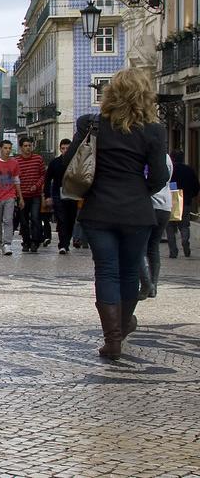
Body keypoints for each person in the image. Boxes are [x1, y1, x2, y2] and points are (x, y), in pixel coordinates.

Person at [70, 67, 168, 359]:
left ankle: (112, 339)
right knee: (128, 272)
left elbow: (70, 164)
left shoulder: (93, 124)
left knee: (107, 271)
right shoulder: (153, 130)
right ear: (145, 95)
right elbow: (160, 175)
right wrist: (140, 192)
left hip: (98, 209)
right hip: (136, 211)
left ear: (110, 93)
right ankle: (122, 330)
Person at [141, 154, 172, 300]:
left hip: (148, 205)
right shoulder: (166, 158)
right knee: (153, 247)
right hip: (165, 206)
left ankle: (147, 284)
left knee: (140, 246)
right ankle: (153, 285)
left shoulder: (144, 154)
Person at [45, 138, 78, 255]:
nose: (65, 151)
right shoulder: (55, 163)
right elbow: (48, 179)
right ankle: (62, 244)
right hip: (58, 194)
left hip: (73, 193)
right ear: (60, 149)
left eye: (67, 148)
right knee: (62, 219)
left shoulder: (76, 162)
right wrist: (48, 196)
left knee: (71, 220)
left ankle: (66, 242)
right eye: (63, 148)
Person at [15, 136, 46, 252]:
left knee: (35, 218)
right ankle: (26, 242)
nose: (28, 148)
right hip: (22, 196)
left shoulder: (38, 159)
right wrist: (18, 195)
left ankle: (35, 241)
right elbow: (15, 178)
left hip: (35, 195)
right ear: (21, 148)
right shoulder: (16, 161)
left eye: (29, 146)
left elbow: (43, 175)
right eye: (25, 146)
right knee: (23, 221)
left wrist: (36, 185)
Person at [167, 151, 199, 258]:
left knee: (170, 227)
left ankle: (173, 251)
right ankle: (185, 241)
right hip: (185, 201)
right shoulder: (189, 170)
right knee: (184, 225)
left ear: (172, 158)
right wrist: (190, 196)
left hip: (170, 201)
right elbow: (196, 186)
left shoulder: (169, 169)